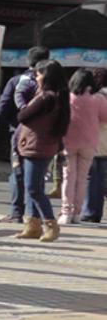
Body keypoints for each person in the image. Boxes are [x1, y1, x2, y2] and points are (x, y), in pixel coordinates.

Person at [15, 60, 71, 242]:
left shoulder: (46, 97)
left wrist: (20, 99)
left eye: (38, 74)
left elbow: (23, 116)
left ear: (46, 77)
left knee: (33, 188)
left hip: (36, 146)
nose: (36, 78)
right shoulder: (57, 96)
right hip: (44, 145)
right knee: (34, 187)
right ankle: (33, 225)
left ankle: (50, 224)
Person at [0, 46, 50, 223]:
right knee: (37, 176)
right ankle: (33, 214)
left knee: (18, 173)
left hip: (19, 133)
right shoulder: (51, 85)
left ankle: (16, 212)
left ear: (28, 61)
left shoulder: (16, 81)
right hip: (43, 135)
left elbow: (2, 107)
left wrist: (15, 123)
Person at [59, 69, 107, 225]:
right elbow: (105, 117)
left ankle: (66, 212)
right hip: (89, 143)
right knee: (82, 179)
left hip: (68, 142)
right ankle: (76, 213)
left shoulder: (67, 97)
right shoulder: (98, 99)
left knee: (68, 177)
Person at [81, 69, 107, 223]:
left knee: (91, 177)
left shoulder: (97, 98)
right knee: (101, 178)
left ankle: (90, 211)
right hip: (104, 143)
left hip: (96, 141)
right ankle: (96, 211)